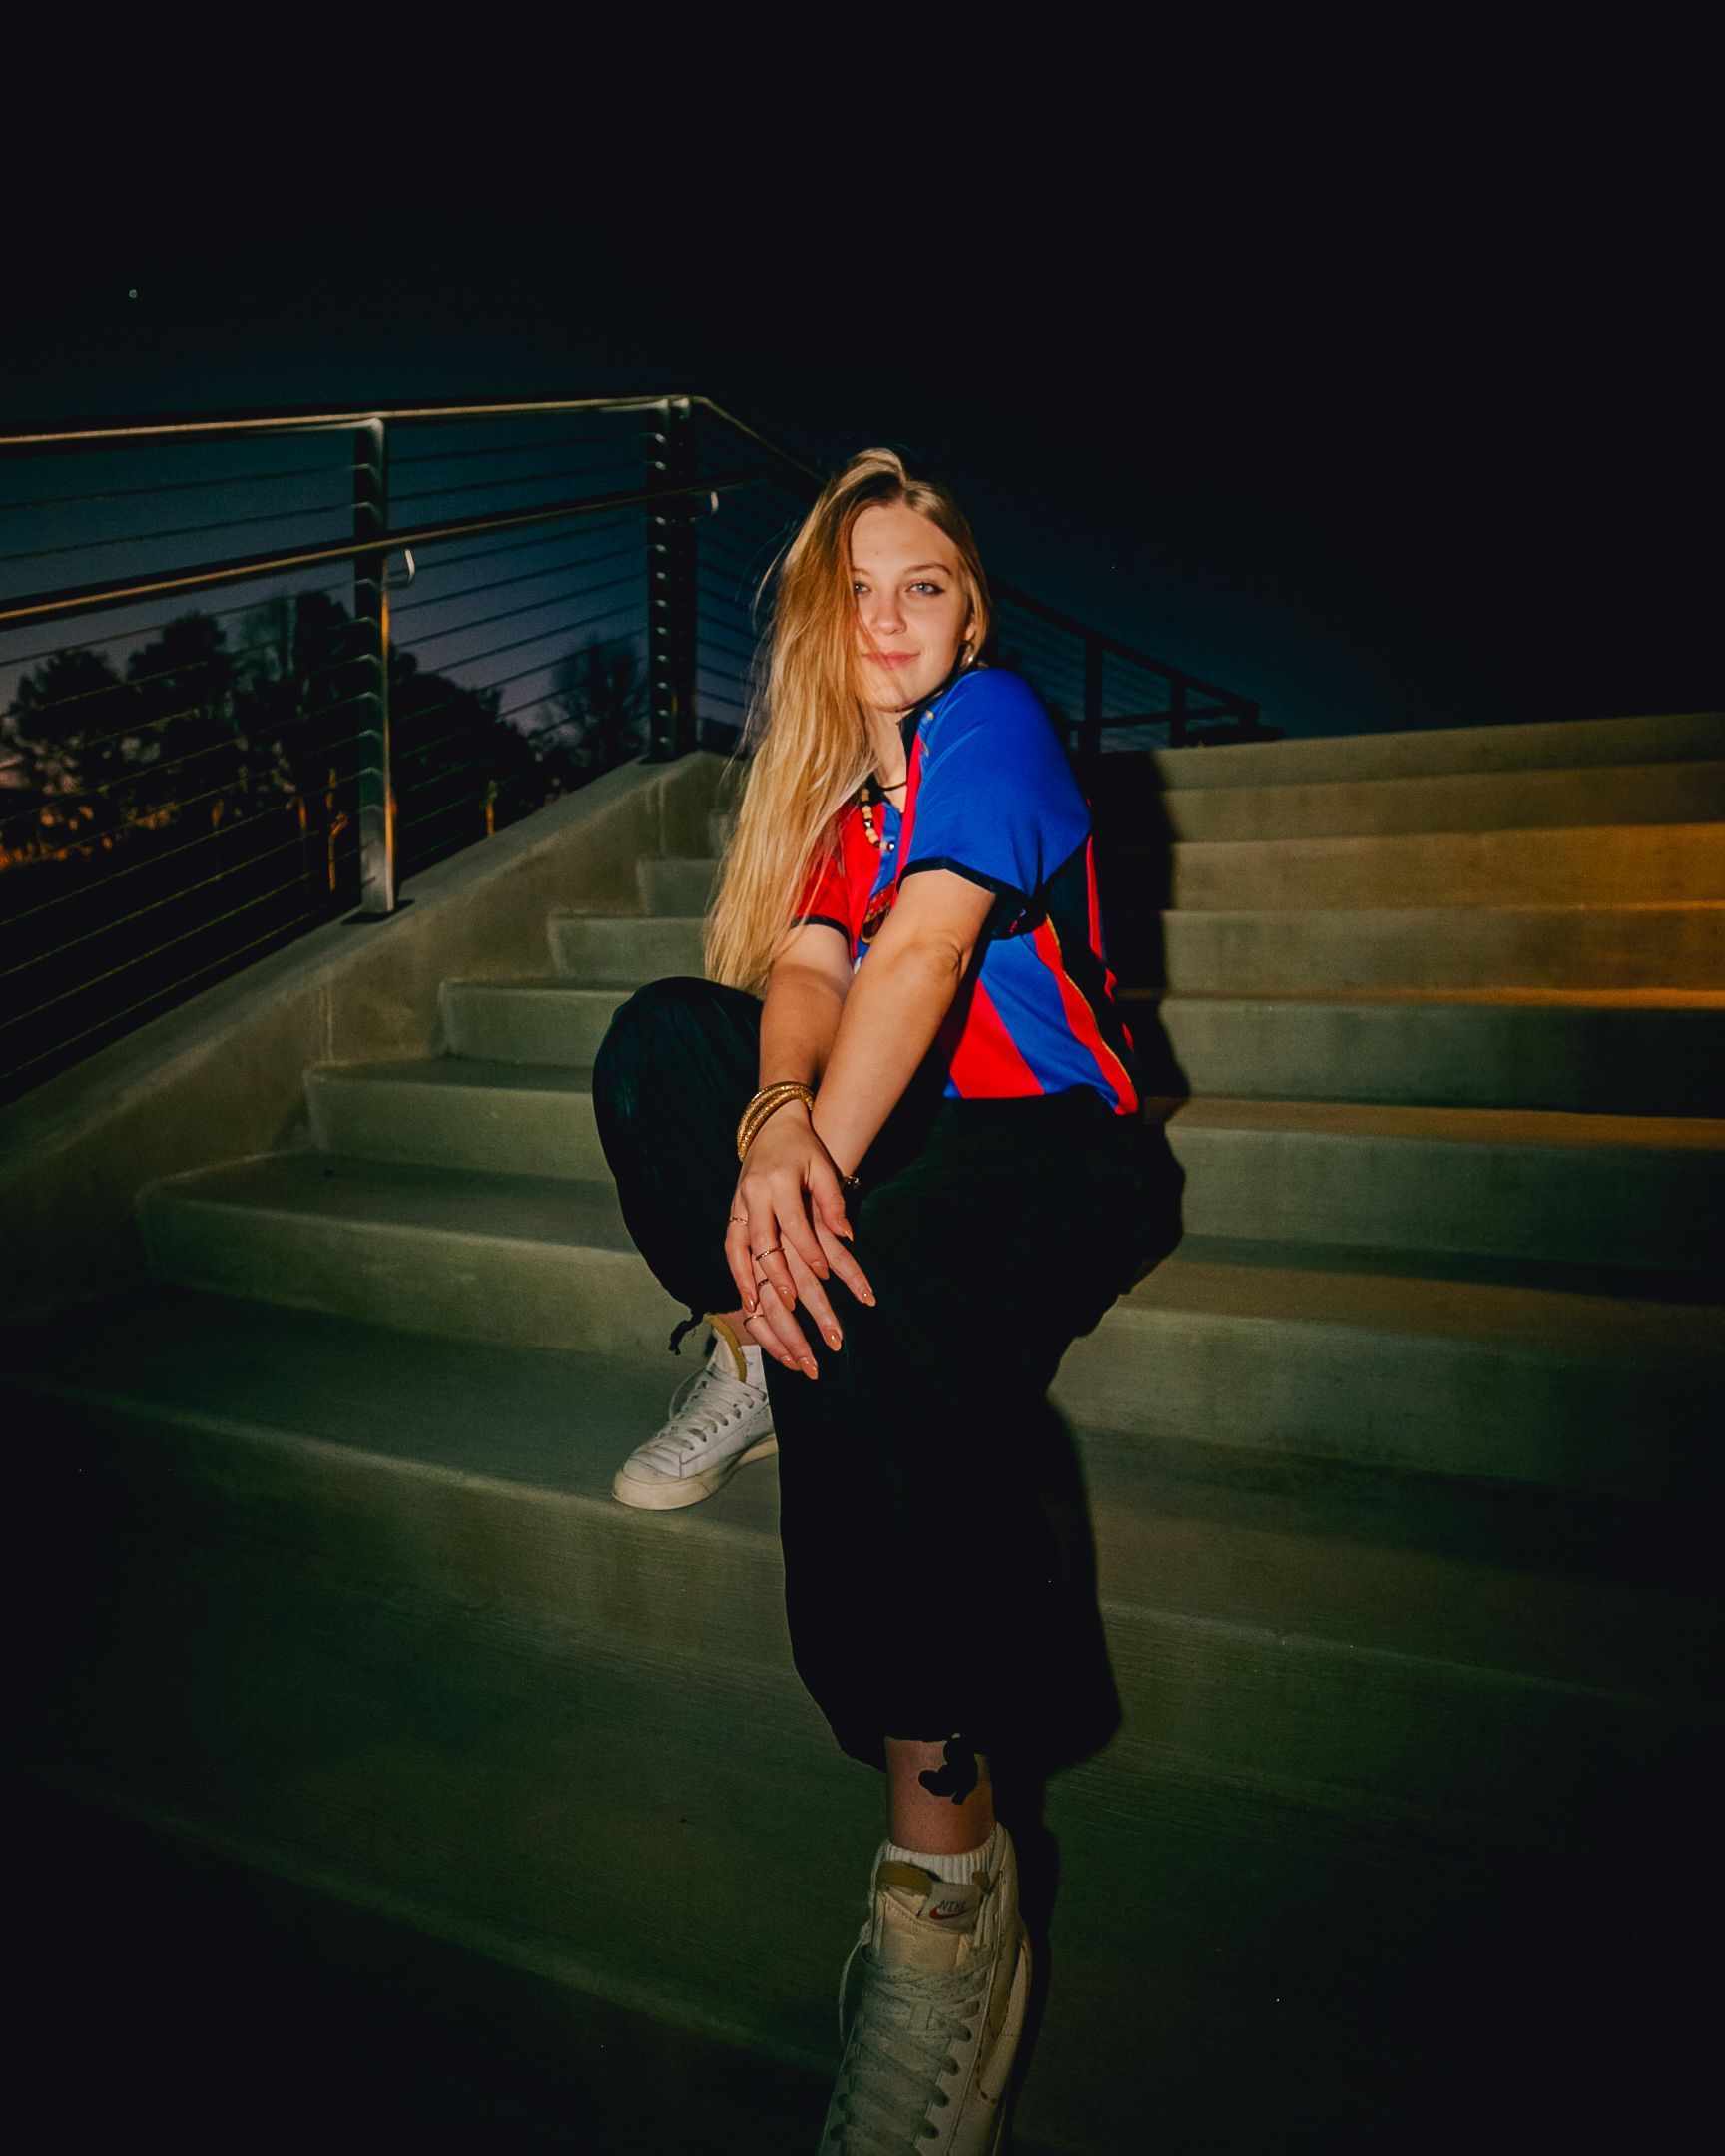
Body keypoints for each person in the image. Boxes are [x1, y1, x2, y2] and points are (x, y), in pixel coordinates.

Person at [591, 447, 1173, 2151]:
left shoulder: (990, 722)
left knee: (871, 1282)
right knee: (664, 1044)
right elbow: (811, 967)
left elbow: (924, 952)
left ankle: (949, 1879)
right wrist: (776, 1117)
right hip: (905, 1118)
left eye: (926, 585)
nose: (895, 617)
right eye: (860, 592)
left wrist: (807, 1181)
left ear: (971, 616)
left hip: (1055, 1144)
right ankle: (761, 1344)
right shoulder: (859, 802)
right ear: (820, 627)